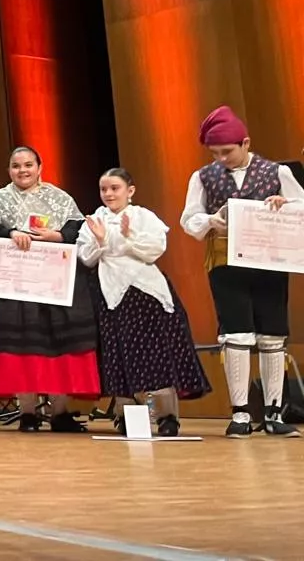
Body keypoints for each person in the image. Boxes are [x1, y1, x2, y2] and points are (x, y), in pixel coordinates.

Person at [180, 105, 302, 437]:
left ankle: (275, 413)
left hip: (269, 261)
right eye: (214, 153)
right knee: (235, 332)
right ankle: (241, 414)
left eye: (226, 151)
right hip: (225, 262)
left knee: (272, 333)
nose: (220, 158)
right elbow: (189, 219)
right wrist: (211, 221)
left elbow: (302, 207)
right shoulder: (202, 177)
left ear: (245, 143)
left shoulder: (277, 172)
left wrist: (285, 205)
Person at [0, 146, 95, 432]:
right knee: (21, 349)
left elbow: (79, 227)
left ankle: (60, 412)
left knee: (58, 345)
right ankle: (28, 413)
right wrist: (11, 232)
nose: (23, 170)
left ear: (40, 167)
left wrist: (57, 235)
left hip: (53, 282)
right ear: (9, 170)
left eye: (28, 165)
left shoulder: (59, 197)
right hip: (15, 285)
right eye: (16, 166)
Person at [80, 168, 208, 437]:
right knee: (120, 355)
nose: (108, 194)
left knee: (156, 354)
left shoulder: (144, 217)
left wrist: (128, 238)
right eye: (104, 189)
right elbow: (86, 257)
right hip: (110, 295)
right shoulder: (94, 220)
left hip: (146, 295)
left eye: (114, 188)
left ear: (130, 190)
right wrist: (102, 241)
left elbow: (154, 250)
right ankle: (127, 415)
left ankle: (167, 416)